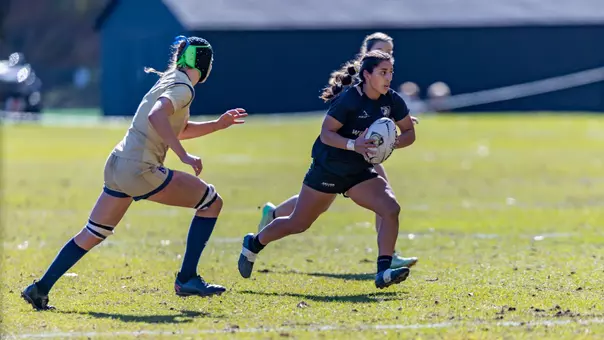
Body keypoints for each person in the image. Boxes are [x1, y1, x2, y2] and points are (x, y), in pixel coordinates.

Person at [21, 36, 248, 310]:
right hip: (139, 168)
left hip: (118, 163)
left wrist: (217, 124)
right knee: (211, 202)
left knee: (93, 232)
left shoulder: (170, 79)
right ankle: (187, 278)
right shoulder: (184, 88)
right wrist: (183, 155)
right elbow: (156, 116)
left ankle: (40, 288)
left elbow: (175, 127)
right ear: (204, 62)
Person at [239, 50, 416, 289]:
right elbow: (326, 134)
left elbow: (409, 133)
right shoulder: (349, 100)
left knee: (390, 208)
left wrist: (391, 142)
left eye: (391, 73)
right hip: (329, 167)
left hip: (359, 171)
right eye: (383, 72)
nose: (388, 78)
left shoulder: (392, 100)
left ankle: (383, 271)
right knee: (298, 223)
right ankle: (254, 243)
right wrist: (355, 144)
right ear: (366, 75)